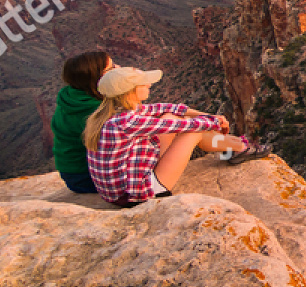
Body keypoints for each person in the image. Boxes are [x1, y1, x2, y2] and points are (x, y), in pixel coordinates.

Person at [84, 66, 268, 206]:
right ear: (130, 91)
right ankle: (239, 148)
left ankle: (232, 147)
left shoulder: (115, 111)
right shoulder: (126, 122)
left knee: (170, 116)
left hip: (125, 185)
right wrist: (215, 122)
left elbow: (168, 109)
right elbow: (185, 125)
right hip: (136, 194)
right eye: (144, 83)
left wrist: (210, 116)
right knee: (192, 131)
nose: (149, 84)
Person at [51, 50, 114, 194]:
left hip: (72, 174)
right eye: (111, 68)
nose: (118, 68)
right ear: (95, 77)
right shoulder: (93, 110)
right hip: (86, 178)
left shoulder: (70, 96)